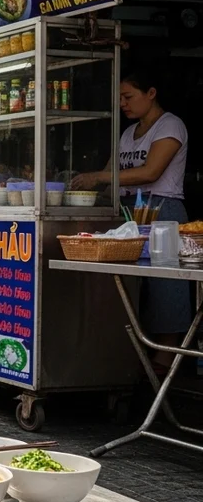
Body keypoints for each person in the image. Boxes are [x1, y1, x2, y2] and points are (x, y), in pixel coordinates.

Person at [71, 70, 190, 352]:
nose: (123, 104)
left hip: (161, 210)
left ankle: (166, 358)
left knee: (164, 285)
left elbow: (150, 172)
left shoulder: (170, 126)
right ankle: (131, 353)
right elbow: (110, 175)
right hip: (129, 212)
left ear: (151, 93)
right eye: (120, 98)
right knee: (131, 284)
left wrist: (99, 177)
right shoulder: (127, 133)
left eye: (128, 97)